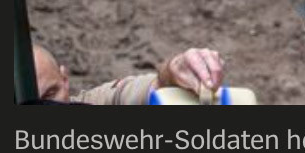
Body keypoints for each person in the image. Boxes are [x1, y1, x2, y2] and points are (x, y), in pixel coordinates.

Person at [32, 44, 224, 105]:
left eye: (50, 94)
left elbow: (150, 90)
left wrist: (176, 70)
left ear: (65, 80)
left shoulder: (89, 102)